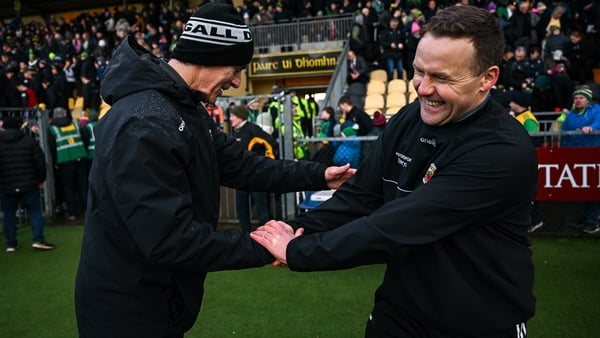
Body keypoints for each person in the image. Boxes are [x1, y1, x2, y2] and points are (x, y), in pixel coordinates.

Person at [252, 6, 537, 337]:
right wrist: (294, 230)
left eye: (442, 77)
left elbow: (398, 226)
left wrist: (297, 251)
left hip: (479, 322)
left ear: (488, 78)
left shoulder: (502, 151)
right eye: (419, 71)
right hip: (399, 313)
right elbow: (359, 197)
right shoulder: (409, 119)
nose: (423, 88)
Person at [73, 3, 354, 338]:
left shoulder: (183, 108)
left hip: (158, 300)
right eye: (235, 68)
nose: (236, 82)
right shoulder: (143, 121)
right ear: (207, 54)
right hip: (125, 311)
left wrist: (318, 174)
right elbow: (170, 239)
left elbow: (242, 166)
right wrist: (269, 246)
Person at [0, 116, 54, 252]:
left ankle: (11, 243)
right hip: (29, 183)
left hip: (7, 185)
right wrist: (41, 179)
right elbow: (40, 161)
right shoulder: (28, 140)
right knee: (35, 211)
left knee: (9, 214)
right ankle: (38, 239)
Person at [230, 104, 278, 233]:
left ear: (240, 117)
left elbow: (271, 143)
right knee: (241, 207)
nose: (230, 118)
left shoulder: (252, 129)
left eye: (233, 116)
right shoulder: (235, 131)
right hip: (240, 176)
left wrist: (267, 164)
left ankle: (269, 235)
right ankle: (245, 235)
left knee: (261, 206)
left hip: (255, 175)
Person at [560, 86, 600, 234]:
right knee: (581, 188)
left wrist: (591, 128)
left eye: (581, 98)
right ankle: (587, 218)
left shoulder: (596, 110)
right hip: (576, 156)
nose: (577, 100)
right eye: (576, 98)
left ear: (588, 100)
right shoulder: (570, 115)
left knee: (593, 187)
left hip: (594, 155)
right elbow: (565, 133)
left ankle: (592, 221)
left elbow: (598, 122)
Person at [48, 107, 88, 220]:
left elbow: (52, 147)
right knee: (83, 184)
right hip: (80, 156)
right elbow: (85, 138)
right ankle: (87, 209)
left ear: (54, 116)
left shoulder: (51, 129)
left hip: (64, 160)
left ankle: (72, 212)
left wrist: (55, 161)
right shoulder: (75, 124)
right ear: (65, 114)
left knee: (68, 187)